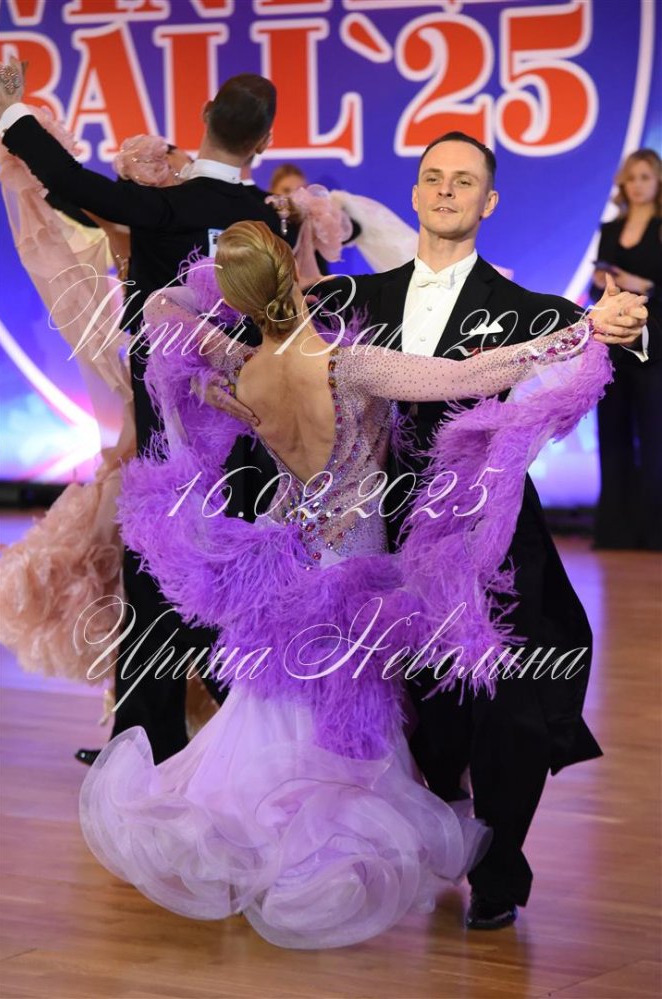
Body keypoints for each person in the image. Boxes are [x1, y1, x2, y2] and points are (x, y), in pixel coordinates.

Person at [78, 219, 644, 950]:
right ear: (292, 275)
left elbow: (165, 307)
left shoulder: (243, 368)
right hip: (350, 560)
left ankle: (257, 846)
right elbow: (469, 377)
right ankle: (312, 861)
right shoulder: (350, 366)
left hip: (282, 554)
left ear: (239, 296)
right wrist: (583, 331)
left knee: (275, 708)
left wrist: (214, 344)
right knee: (340, 720)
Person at [214, 132, 647, 930]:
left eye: (464, 181)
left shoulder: (524, 308)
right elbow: (264, 338)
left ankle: (499, 870)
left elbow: (602, 332)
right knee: (431, 715)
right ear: (414, 195)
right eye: (434, 177)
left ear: (489, 202)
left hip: (493, 534)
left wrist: (622, 321)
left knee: (512, 704)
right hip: (389, 542)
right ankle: (446, 818)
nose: (447, 189)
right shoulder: (354, 300)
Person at [0, 60, 291, 765]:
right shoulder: (266, 221)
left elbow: (69, 183)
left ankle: (144, 745)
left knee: (154, 588)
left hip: (167, 440)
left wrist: (11, 112)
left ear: (205, 113)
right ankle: (238, 740)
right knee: (228, 585)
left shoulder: (166, 206)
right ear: (263, 142)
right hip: (242, 441)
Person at [591, 148, 661, 550]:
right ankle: (615, 532)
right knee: (612, 437)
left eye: (645, 177)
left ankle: (654, 533)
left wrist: (644, 286)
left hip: (657, 342)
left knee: (654, 439)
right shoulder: (610, 229)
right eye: (631, 178)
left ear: (658, 182)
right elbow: (597, 291)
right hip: (615, 345)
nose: (637, 185)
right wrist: (606, 287)